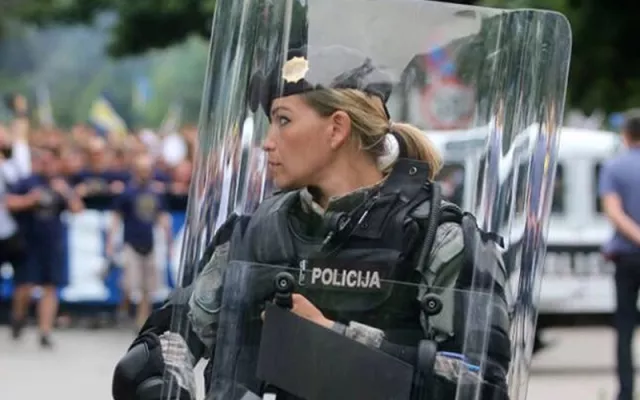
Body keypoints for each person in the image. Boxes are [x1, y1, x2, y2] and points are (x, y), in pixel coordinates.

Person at [112, 46, 513, 400]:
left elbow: (481, 386)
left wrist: (335, 341)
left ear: (337, 128)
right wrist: (165, 376)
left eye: (283, 120)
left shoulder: (438, 239)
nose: (268, 141)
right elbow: (164, 345)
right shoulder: (257, 233)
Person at [6, 147, 84, 347]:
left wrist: (65, 191)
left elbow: (78, 209)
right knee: (25, 287)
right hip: (29, 243)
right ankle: (19, 317)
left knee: (50, 287)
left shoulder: (60, 185)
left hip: (53, 244)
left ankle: (45, 331)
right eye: (44, 162)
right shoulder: (26, 182)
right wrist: (29, 200)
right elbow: (8, 203)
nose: (48, 166)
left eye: (51, 162)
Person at [599, 111, 640, 400]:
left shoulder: (614, 167)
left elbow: (613, 211)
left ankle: (626, 392)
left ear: (625, 135)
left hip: (627, 257)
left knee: (625, 328)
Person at [107, 154, 172, 330]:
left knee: (148, 287)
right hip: (131, 242)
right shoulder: (127, 193)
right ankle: (123, 309)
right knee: (129, 284)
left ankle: (141, 321)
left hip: (149, 242)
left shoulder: (156, 193)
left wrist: (169, 241)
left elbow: (162, 217)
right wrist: (110, 241)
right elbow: (116, 217)